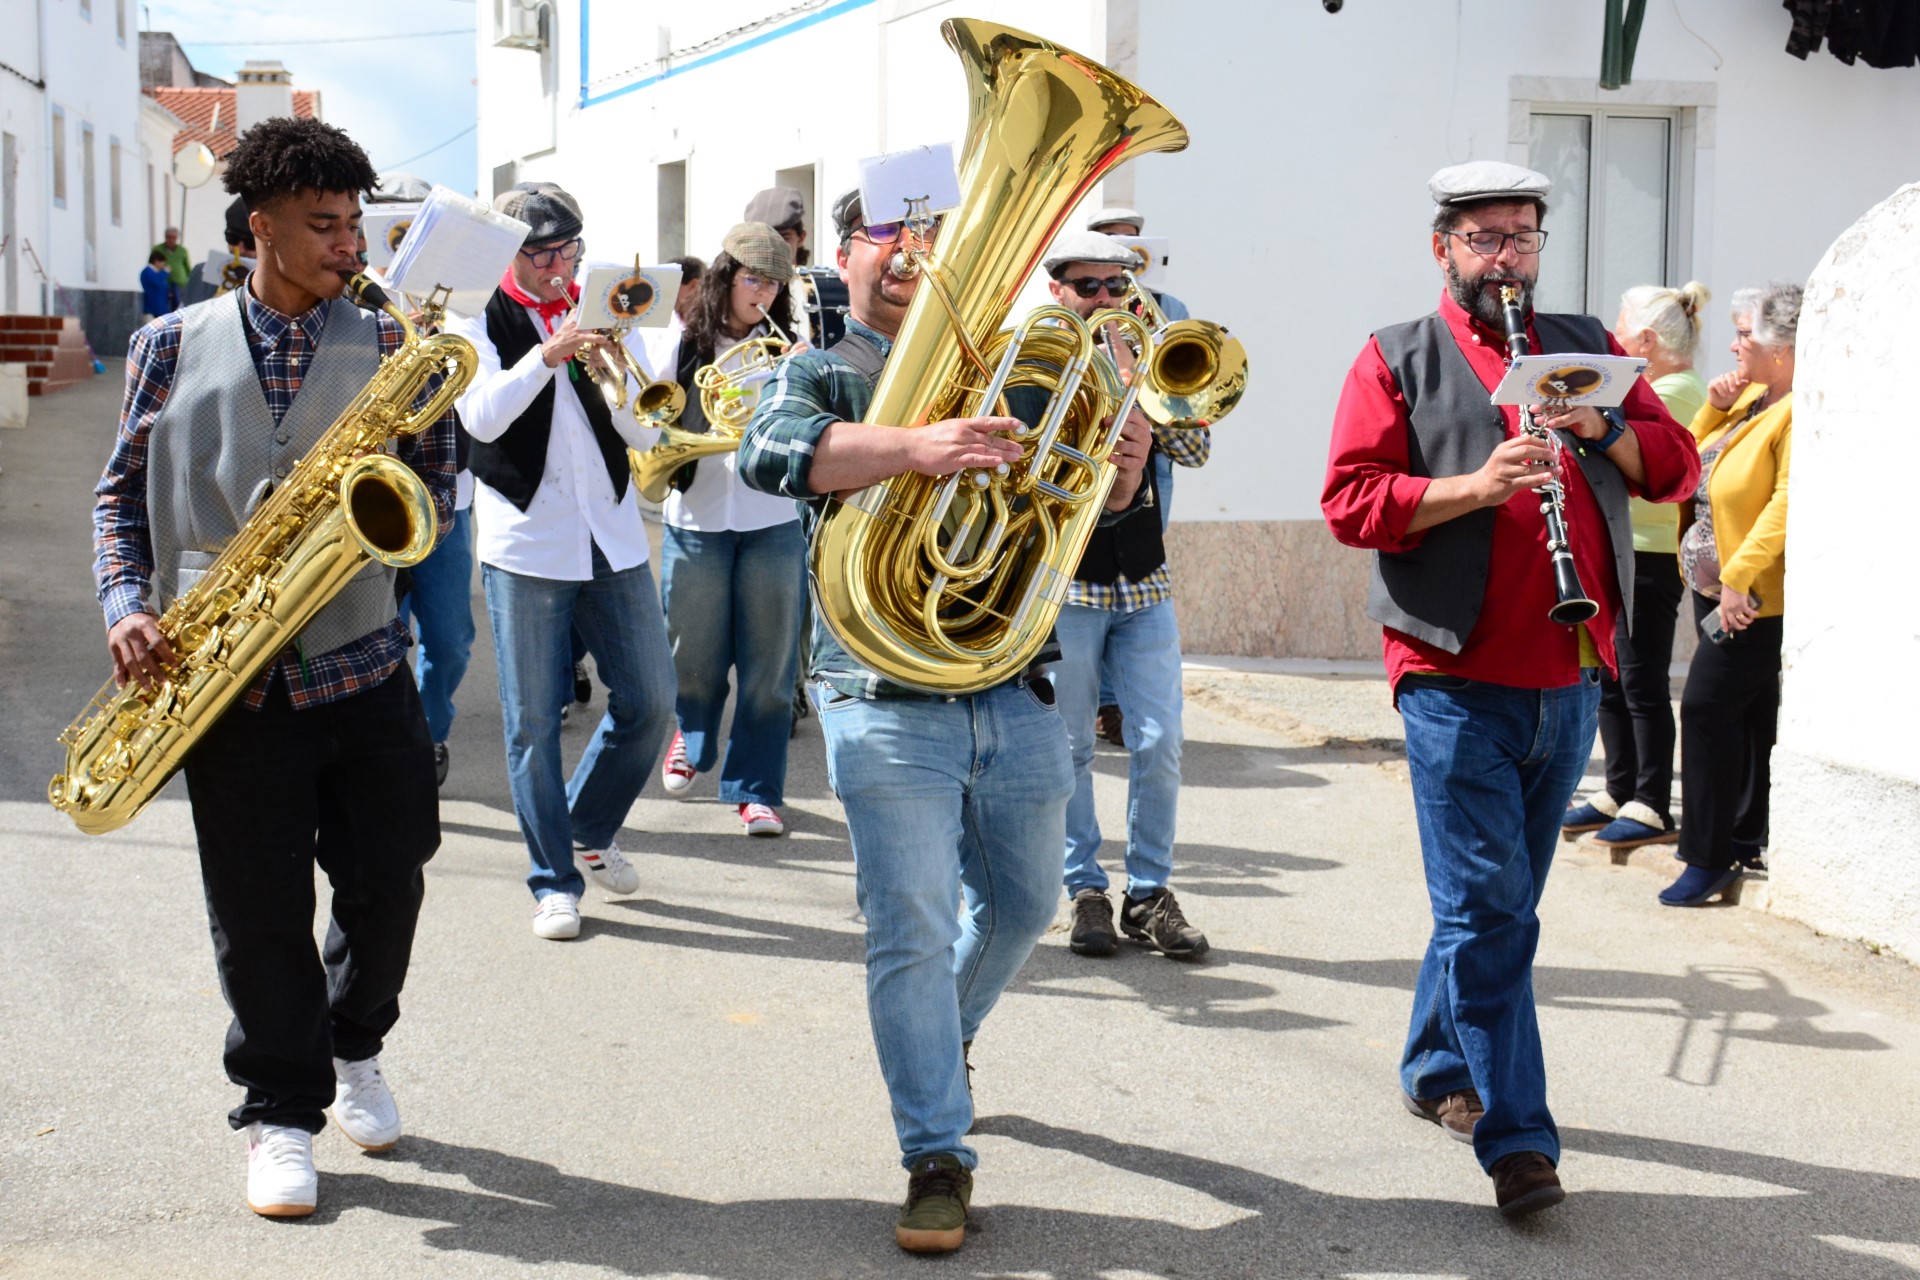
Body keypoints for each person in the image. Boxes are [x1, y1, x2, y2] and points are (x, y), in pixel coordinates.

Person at [739, 187, 1149, 1253]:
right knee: (912, 927)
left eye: (936, 232)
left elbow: (1061, 506)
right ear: (845, 253)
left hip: (1010, 683)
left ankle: (940, 1038)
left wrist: (1115, 474)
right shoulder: (821, 364)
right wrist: (917, 445)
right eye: (892, 232)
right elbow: (772, 457)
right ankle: (936, 1150)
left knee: (1023, 903)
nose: (918, 251)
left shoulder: (1008, 360)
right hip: (880, 695)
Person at [93, 117, 457, 1219]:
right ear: (261, 228)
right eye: (326, 224)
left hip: (362, 658)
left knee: (391, 874)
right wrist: (127, 601)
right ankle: (279, 1111)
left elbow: (435, 489)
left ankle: (354, 1046)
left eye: (356, 222)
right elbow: (119, 494)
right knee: (255, 908)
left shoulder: (392, 341)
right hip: (226, 671)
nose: (352, 243)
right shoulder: (168, 342)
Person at [1321, 161, 1699, 1218]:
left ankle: (1438, 1064)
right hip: (1451, 674)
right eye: (1485, 238)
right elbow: (1350, 501)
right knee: (1490, 910)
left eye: (1522, 237)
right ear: (1443, 246)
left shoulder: (1585, 347)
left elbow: (1674, 465)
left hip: (1571, 673)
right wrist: (1475, 487)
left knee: (1496, 908)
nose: (1507, 257)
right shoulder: (1395, 355)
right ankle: (1517, 1137)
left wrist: (1603, 431)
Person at [445, 182, 677, 942]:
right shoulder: (474, 314)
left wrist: (614, 362)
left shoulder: (608, 305)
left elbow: (646, 439)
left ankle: (588, 824)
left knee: (649, 700)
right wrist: (547, 358)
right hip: (525, 541)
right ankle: (553, 881)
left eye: (566, 250)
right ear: (509, 253)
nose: (557, 267)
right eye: (540, 252)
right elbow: (479, 417)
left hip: (609, 534)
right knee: (533, 721)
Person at [1040, 229, 1212, 961]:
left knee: (1159, 741)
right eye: (1090, 287)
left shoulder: (1148, 349)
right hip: (1069, 581)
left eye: (1118, 286)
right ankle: (1084, 888)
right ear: (1059, 294)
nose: (1108, 300)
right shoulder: (1039, 361)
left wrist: (1149, 391)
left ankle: (1148, 893)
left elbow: (1199, 449)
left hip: (1144, 578)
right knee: (1071, 746)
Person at [655, 224, 805, 836]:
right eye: (754, 279)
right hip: (698, 515)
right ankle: (690, 735)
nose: (764, 294)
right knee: (692, 654)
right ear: (725, 277)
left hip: (773, 517)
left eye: (773, 284)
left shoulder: (792, 343)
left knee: (770, 670)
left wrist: (802, 377)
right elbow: (650, 411)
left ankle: (755, 789)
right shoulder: (685, 341)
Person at [1660, 283, 1798, 906]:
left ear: (1784, 349)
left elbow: (1785, 501)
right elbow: (1690, 459)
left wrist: (1740, 576)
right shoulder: (1749, 399)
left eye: (1747, 335)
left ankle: (1707, 856)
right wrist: (1715, 409)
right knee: (1746, 715)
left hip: (1752, 596)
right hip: (1719, 587)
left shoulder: (1795, 411)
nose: (1735, 344)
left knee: (1708, 709)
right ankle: (1744, 836)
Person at [1562, 283, 1712, 848]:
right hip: (1624, 548)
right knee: (1613, 676)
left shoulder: (1671, 391)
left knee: (1643, 680)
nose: (1611, 342)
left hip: (1649, 553)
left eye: (1619, 332)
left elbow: (1645, 464)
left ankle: (1650, 798)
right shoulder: (1658, 386)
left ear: (1645, 340)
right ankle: (1618, 784)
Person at [1084, 205, 1190, 745]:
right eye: (1108, 242)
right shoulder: (1073, 315)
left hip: (1153, 463)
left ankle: (1120, 700)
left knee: (1135, 564)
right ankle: (1104, 702)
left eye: (1128, 248)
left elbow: (1193, 433)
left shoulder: (1165, 307)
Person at [151, 226, 190, 307]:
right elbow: (151, 265)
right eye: (168, 237)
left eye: (174, 238)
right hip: (163, 285)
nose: (171, 240)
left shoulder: (182, 250)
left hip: (180, 285)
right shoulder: (157, 249)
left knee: (179, 308)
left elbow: (187, 268)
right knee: (165, 309)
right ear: (165, 237)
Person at [670, 255, 705, 326]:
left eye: (671, 284)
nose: (666, 291)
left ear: (693, 286)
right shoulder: (662, 320)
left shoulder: (715, 321)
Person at [139, 249, 174, 320]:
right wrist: (165, 272)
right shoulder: (148, 271)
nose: (163, 266)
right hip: (154, 308)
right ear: (157, 261)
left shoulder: (154, 273)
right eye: (163, 263)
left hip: (160, 307)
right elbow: (156, 282)